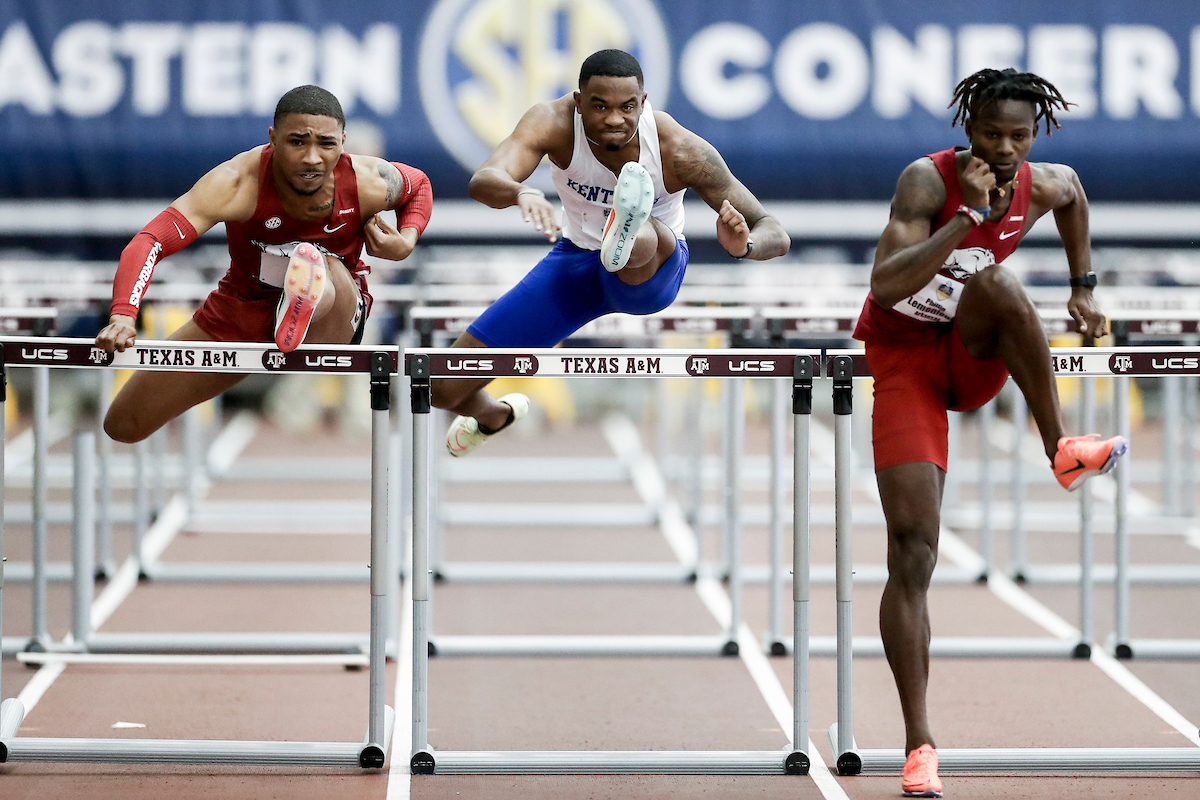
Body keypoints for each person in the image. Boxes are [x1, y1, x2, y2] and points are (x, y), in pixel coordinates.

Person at [853, 68, 1127, 798]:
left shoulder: (1044, 181)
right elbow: (885, 285)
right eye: (990, 134)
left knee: (1002, 285)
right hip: (906, 357)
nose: (1004, 149)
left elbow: (1074, 199)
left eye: (1019, 136)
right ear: (966, 130)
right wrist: (966, 220)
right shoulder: (925, 181)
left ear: (1034, 136)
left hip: (970, 354)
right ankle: (920, 745)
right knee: (913, 548)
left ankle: (1061, 447)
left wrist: (1083, 286)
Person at [433, 48, 791, 456]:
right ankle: (493, 415)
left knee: (643, 236)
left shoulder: (679, 149)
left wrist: (743, 245)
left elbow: (774, 231)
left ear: (644, 103)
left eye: (627, 107)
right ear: (578, 102)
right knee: (441, 385)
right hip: (574, 266)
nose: (614, 119)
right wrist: (522, 190)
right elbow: (484, 179)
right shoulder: (552, 122)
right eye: (600, 106)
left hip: (652, 270)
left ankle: (625, 229)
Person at [95, 85, 432, 443]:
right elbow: (150, 241)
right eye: (297, 142)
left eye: (327, 145)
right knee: (124, 425)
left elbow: (419, 187)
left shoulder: (368, 180)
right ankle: (298, 292)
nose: (312, 158)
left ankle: (308, 290)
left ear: (343, 142)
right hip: (241, 308)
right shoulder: (237, 183)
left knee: (323, 266)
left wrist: (406, 241)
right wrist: (122, 315)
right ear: (272, 137)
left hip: (334, 313)